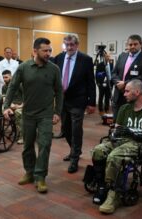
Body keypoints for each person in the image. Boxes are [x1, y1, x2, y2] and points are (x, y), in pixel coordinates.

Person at [91, 79, 142, 214]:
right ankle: (103, 186)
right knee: (98, 151)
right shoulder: (124, 108)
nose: (124, 94)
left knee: (113, 157)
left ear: (137, 92)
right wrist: (114, 134)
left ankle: (114, 194)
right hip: (121, 140)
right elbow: (117, 130)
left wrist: (131, 132)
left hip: (139, 144)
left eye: (127, 91)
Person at [3, 37, 63, 194]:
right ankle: (29, 172)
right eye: (45, 50)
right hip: (28, 113)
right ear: (35, 51)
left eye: (50, 50)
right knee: (27, 145)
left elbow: (59, 92)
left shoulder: (54, 69)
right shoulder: (23, 68)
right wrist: (6, 106)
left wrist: (57, 112)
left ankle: (40, 176)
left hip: (46, 114)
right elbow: (12, 87)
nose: (48, 53)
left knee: (44, 145)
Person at [54, 34, 96, 173]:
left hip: (78, 100)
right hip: (62, 100)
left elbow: (91, 82)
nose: (69, 47)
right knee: (65, 129)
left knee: (76, 129)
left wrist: (92, 102)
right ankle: (74, 150)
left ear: (77, 45)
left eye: (72, 44)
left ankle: (75, 159)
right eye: (67, 44)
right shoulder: (59, 58)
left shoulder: (86, 59)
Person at [111, 34, 142, 120]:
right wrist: (118, 82)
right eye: (130, 44)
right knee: (117, 121)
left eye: (135, 44)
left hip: (134, 96)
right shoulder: (122, 56)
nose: (132, 46)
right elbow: (114, 73)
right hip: (118, 95)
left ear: (140, 45)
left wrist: (125, 83)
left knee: (129, 121)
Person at [2, 70, 24, 144]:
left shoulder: (19, 85)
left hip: (22, 106)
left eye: (6, 77)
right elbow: (4, 98)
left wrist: (20, 106)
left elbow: (27, 97)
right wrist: (10, 105)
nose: (5, 79)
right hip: (11, 106)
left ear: (11, 77)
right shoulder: (4, 87)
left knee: (18, 113)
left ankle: (22, 136)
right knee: (2, 109)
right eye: (3, 77)